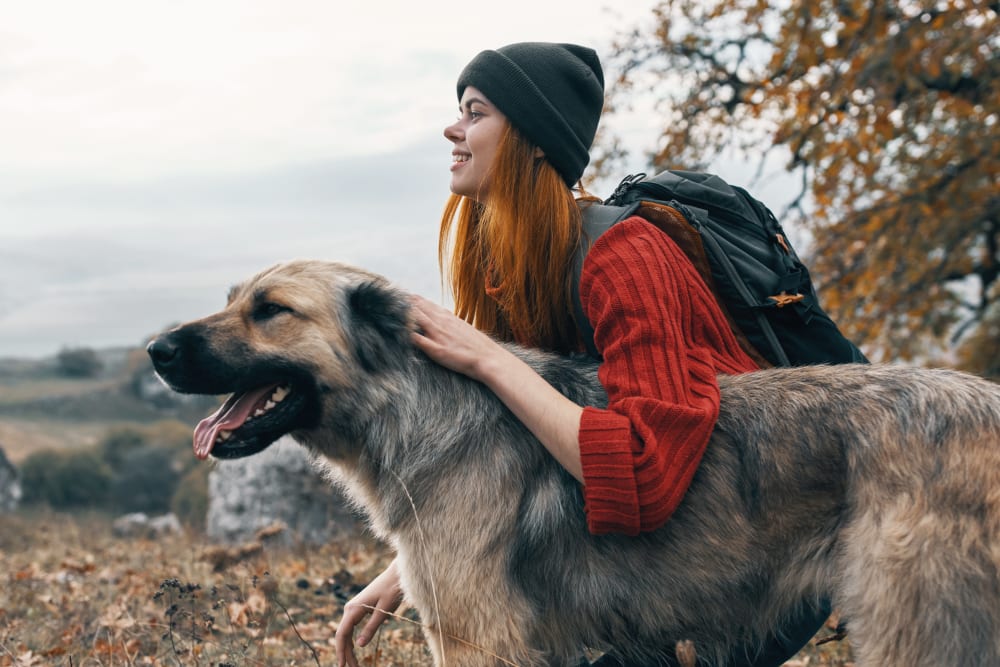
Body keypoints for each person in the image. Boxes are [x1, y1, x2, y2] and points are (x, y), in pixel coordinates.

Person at [334, 42, 829, 667]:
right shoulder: (504, 268)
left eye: (476, 112)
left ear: (534, 138)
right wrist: (412, 565)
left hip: (761, 555)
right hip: (644, 563)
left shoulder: (626, 257)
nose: (452, 129)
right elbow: (508, 458)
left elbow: (643, 476)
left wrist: (491, 360)